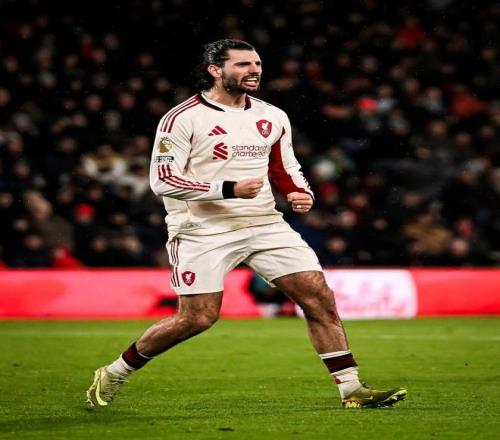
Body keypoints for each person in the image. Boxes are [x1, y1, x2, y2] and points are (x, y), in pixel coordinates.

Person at [86, 39, 406, 409]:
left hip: (264, 222)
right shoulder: (182, 118)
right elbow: (162, 180)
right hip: (202, 229)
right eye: (242, 64)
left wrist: (300, 192)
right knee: (198, 318)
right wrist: (229, 188)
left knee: (319, 299)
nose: (254, 70)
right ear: (215, 70)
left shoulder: (272, 116)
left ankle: (351, 389)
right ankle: (115, 371)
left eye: (257, 64)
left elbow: (284, 167)